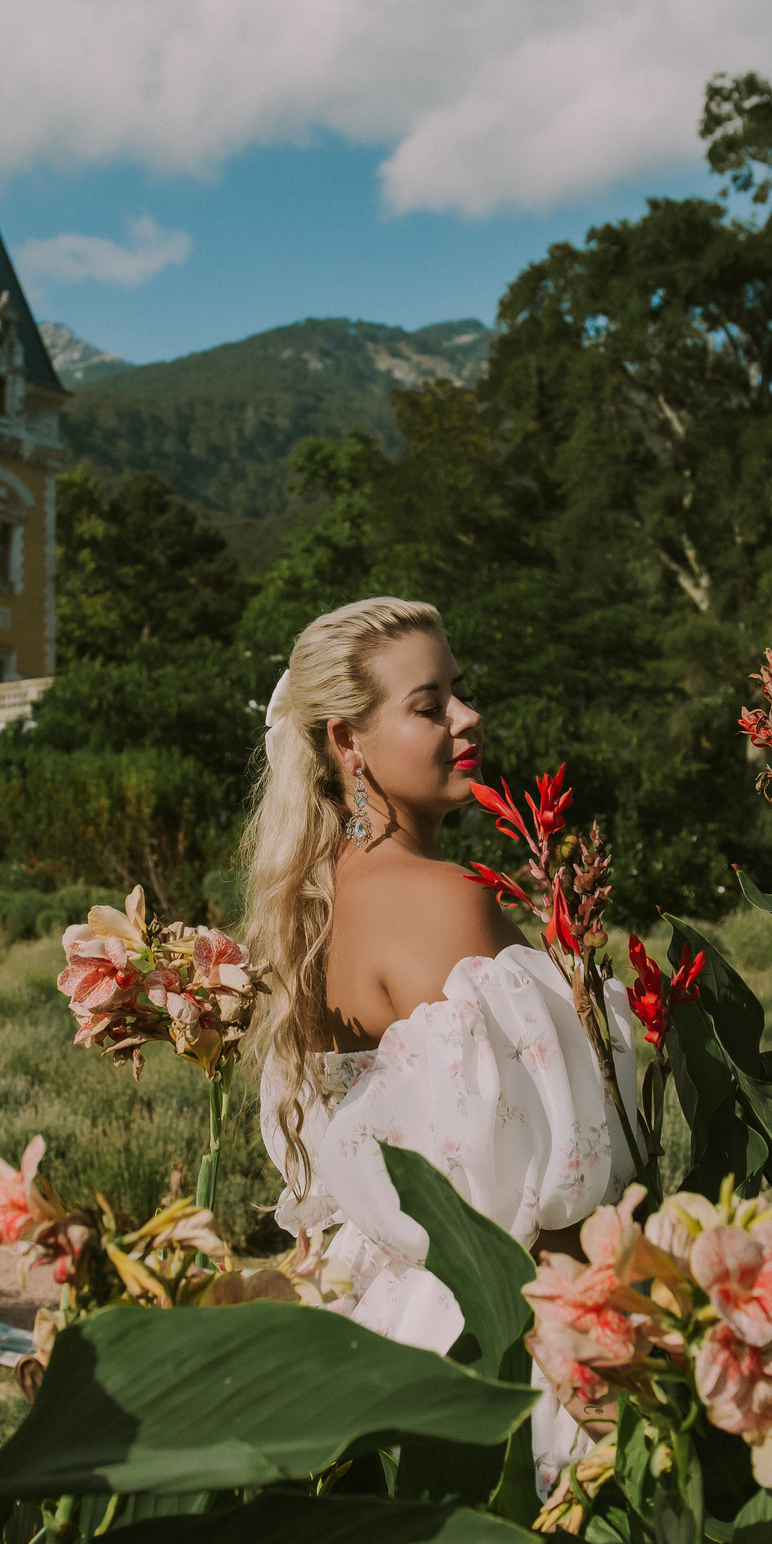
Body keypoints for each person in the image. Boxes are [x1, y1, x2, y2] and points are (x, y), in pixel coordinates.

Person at [240, 595, 638, 1475]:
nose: (468, 717)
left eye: (460, 692)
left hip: (362, 1311)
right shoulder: (449, 898)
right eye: (429, 706)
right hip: (493, 1316)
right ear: (347, 742)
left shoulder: (307, 915)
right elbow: (543, 1176)